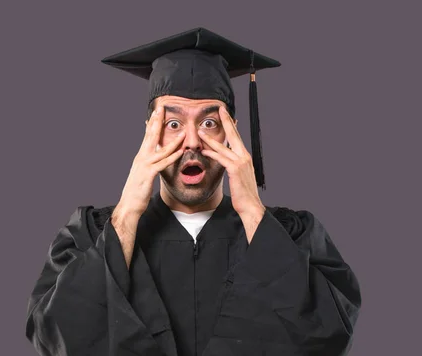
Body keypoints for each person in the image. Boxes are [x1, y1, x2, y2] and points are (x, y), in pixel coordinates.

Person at [24, 27, 362, 356]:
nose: (192, 141)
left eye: (209, 123)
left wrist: (252, 212)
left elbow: (328, 336)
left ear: (232, 134)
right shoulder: (92, 233)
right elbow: (56, 336)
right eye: (173, 124)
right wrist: (127, 212)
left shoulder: (293, 235)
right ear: (150, 134)